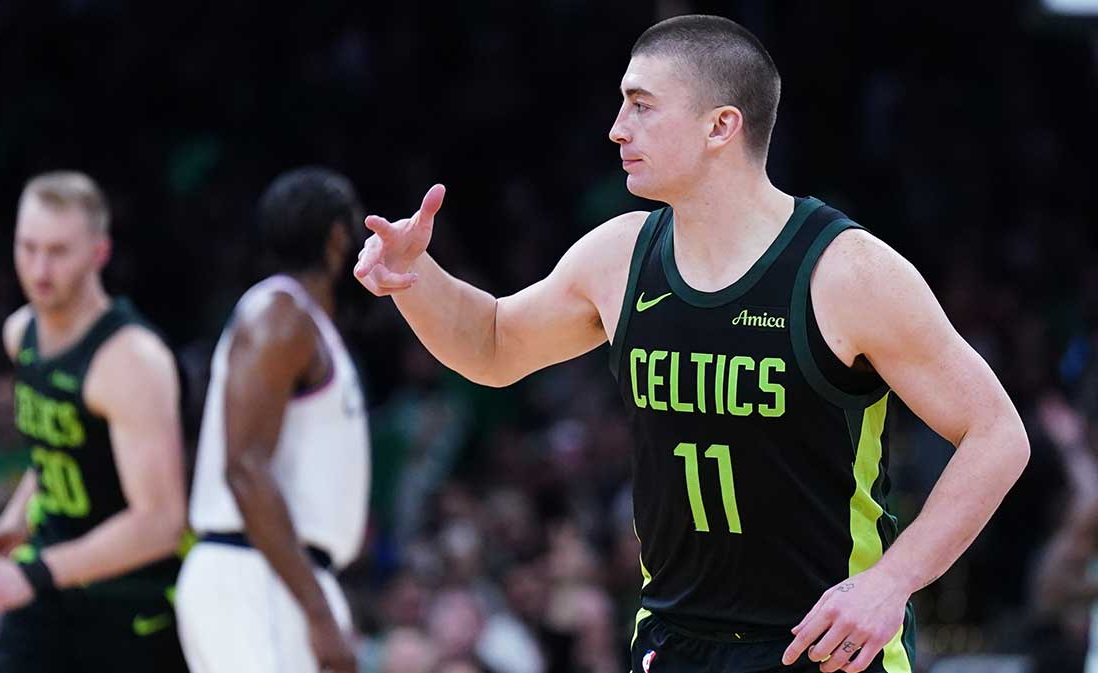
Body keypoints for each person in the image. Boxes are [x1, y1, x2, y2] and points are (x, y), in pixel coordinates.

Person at [352, 14, 1029, 673]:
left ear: (721, 125)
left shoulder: (847, 271)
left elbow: (997, 434)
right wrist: (416, 279)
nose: (618, 128)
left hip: (824, 644)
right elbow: (494, 345)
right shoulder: (621, 255)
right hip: (675, 638)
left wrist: (892, 580)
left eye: (642, 105)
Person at [0, 171, 189, 673]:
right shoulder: (21, 333)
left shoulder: (131, 362)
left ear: (98, 253)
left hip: (129, 605)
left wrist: (33, 576)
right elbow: (56, 453)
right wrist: (15, 522)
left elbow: (161, 522)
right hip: (48, 588)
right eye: (28, 248)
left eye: (58, 251)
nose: (39, 268)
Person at [176, 167, 369, 673]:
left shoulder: (304, 321)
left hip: (279, 575)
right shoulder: (279, 316)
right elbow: (244, 468)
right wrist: (319, 612)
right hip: (254, 574)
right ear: (337, 237)